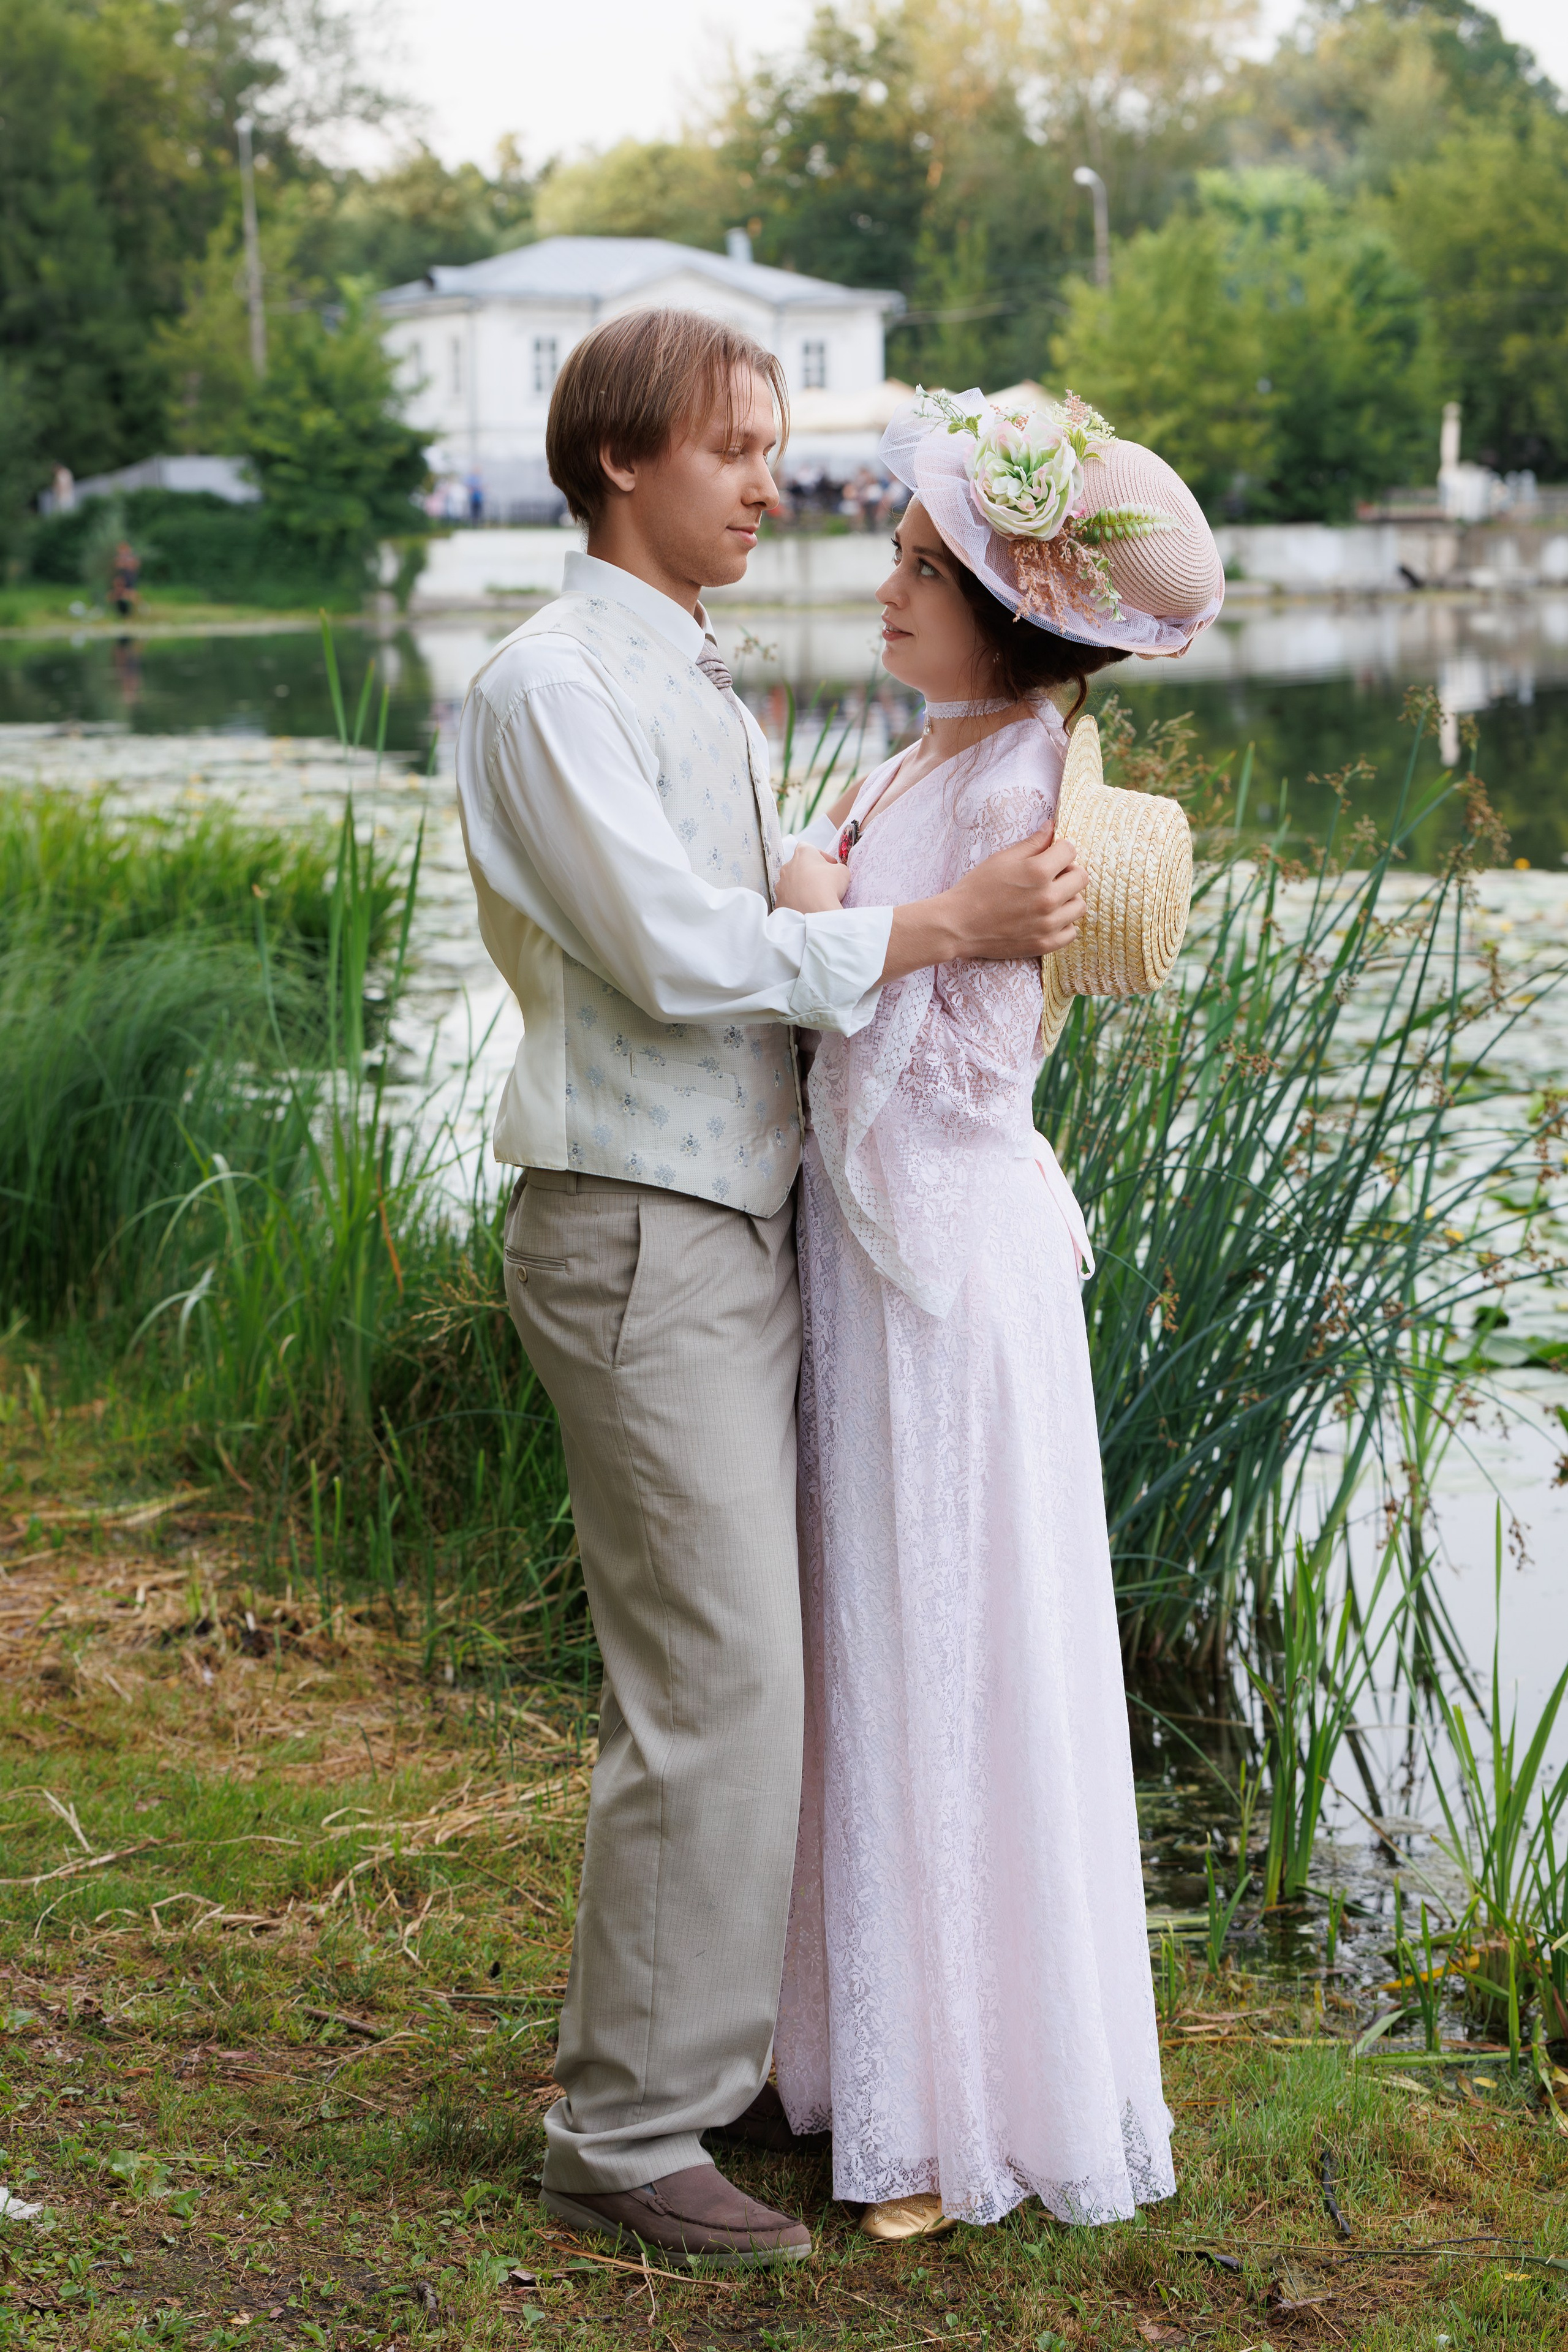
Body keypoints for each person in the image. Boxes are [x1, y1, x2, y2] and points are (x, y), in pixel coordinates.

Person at [454, 314, 1088, 2266]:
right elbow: (668, 956)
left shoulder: (695, 687)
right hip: (640, 1226)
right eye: (735, 447)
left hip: (729, 1221)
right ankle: (634, 2134)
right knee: (718, 1679)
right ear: (620, 460)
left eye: (775, 446)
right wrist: (935, 924)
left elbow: (755, 920)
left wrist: (860, 897)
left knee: (740, 1672)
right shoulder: (548, 685)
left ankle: (666, 2062)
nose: (766, 482)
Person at [771, 388, 1224, 2238]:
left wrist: (814, 919)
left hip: (936, 1263)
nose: (885, 591)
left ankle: (967, 2109)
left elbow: (933, 1078)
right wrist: (828, 890)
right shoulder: (925, 755)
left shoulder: (1023, 783)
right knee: (874, 1637)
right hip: (889, 1263)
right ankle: (851, 2046)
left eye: (916, 567)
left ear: (1007, 606)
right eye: (889, 558)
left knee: (949, 1645)